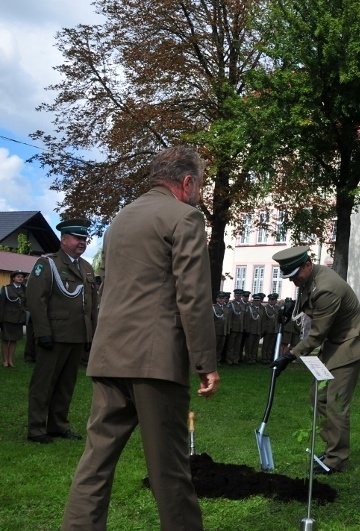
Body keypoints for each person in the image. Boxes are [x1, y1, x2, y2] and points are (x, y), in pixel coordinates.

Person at [61, 145, 220, 530]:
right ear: (187, 182)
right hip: (155, 360)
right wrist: (205, 363)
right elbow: (194, 296)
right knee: (170, 469)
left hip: (108, 354)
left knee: (95, 462)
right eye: (198, 185)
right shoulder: (185, 217)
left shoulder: (120, 220)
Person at [270, 246, 360, 474]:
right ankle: (331, 448)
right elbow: (306, 298)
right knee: (319, 396)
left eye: (296, 275)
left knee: (335, 402)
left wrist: (289, 355)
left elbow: (317, 334)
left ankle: (335, 459)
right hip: (334, 344)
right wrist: (290, 307)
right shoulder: (310, 279)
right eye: (289, 277)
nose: (294, 281)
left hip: (349, 346)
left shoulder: (327, 288)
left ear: (308, 265)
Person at [26, 218, 98, 443]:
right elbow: (37, 300)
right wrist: (43, 332)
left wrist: (91, 334)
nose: (82, 242)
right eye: (77, 238)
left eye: (84, 239)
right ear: (63, 239)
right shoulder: (47, 264)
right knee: (44, 383)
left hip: (77, 335)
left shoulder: (86, 267)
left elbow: (91, 305)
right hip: (55, 334)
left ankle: (58, 425)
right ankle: (36, 428)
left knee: (66, 385)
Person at [1, 270, 28, 367]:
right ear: (13, 278)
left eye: (22, 277)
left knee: (14, 340)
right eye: (18, 276)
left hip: (18, 318)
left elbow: (26, 304)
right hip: (7, 318)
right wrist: (0, 319)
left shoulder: (25, 289)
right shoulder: (6, 289)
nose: (21, 278)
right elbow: (1, 305)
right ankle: (5, 361)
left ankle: (10, 360)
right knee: (5, 339)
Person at [225, 288, 245, 365]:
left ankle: (235, 360)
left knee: (237, 345)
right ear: (234, 295)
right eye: (237, 295)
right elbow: (229, 317)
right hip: (233, 328)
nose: (239, 297)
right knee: (231, 345)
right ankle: (229, 360)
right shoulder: (231, 304)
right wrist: (229, 327)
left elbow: (244, 317)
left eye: (240, 295)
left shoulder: (243, 305)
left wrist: (244, 327)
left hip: (240, 328)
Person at [261, 293, 280, 363]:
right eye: (271, 300)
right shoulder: (265, 308)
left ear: (276, 300)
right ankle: (264, 358)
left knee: (271, 345)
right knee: (266, 344)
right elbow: (263, 320)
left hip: (274, 329)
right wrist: (264, 329)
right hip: (267, 329)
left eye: (273, 300)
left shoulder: (277, 308)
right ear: (268, 300)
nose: (272, 301)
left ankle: (269, 358)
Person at [213, 291, 231, 363]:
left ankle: (218, 360)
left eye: (222, 298)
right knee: (215, 347)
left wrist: (228, 330)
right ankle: (213, 361)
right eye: (220, 298)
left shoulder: (226, 308)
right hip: (216, 330)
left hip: (223, 331)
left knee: (220, 347)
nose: (221, 300)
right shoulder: (214, 307)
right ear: (217, 299)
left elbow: (228, 320)